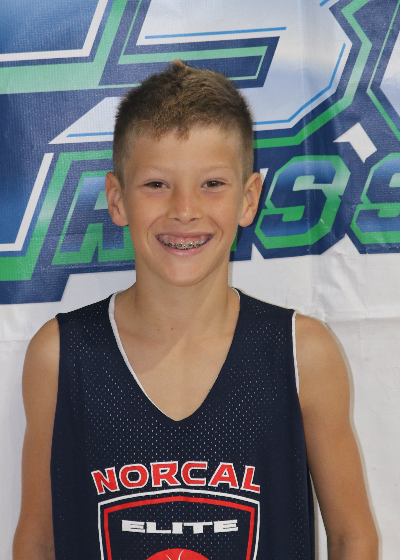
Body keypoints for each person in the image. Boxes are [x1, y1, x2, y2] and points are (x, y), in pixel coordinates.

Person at [13, 61, 378, 560]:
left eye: (212, 184)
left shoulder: (301, 354)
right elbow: (38, 540)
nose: (185, 210)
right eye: (156, 184)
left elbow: (352, 537)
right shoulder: (59, 357)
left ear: (249, 198)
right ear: (116, 199)